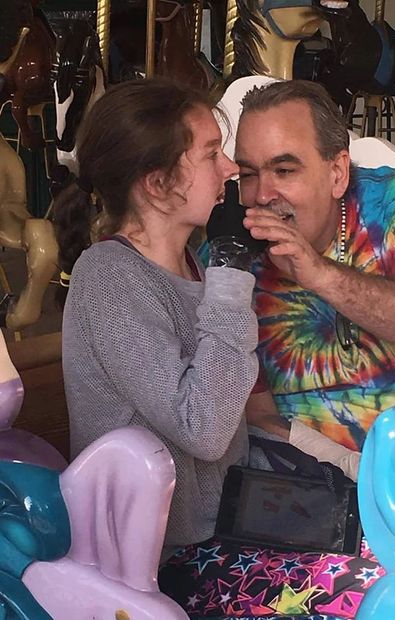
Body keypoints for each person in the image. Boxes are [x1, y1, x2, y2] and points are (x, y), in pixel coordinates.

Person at [53, 78, 259, 559]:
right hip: (154, 563)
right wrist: (231, 265)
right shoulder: (108, 277)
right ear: (158, 183)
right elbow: (204, 427)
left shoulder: (193, 263)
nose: (230, 167)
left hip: (223, 535)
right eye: (211, 154)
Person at [236, 80, 395, 459]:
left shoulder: (390, 201)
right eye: (247, 174)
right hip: (303, 484)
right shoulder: (235, 258)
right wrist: (346, 469)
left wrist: (318, 273)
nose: (261, 195)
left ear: (338, 172)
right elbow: (257, 416)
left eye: (285, 170)